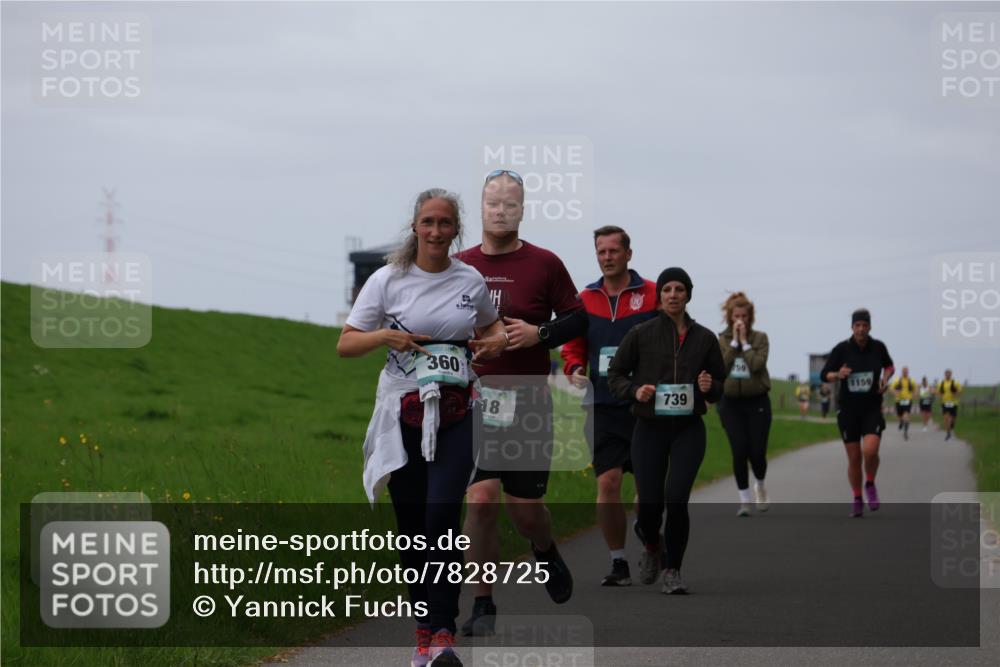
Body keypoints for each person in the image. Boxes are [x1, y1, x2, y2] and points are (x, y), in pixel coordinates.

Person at [337, 189, 508, 667]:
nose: (436, 231)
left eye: (445, 223)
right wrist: (384, 336)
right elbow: (345, 344)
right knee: (413, 531)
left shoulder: (470, 280)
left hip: (457, 411)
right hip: (401, 414)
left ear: (457, 230)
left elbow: (492, 329)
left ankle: (444, 633)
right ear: (415, 227)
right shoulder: (387, 280)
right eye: (428, 222)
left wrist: (492, 345)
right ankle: (422, 631)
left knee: (441, 519)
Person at [456, 169, 587, 635]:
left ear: (522, 210)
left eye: (510, 204)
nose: (501, 210)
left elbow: (578, 319)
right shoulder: (460, 264)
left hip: (529, 401)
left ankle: (544, 548)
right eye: (493, 202)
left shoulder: (545, 263)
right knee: (482, 499)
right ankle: (484, 604)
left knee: (526, 511)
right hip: (473, 400)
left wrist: (540, 333)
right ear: (481, 207)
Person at [608, 267, 725, 594]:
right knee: (649, 503)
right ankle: (651, 544)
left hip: (688, 429)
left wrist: (709, 385)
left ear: (688, 294)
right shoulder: (641, 333)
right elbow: (615, 374)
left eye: (679, 289)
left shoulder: (705, 338)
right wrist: (635, 391)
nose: (673, 295)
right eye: (667, 289)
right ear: (659, 296)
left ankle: (673, 569)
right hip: (649, 428)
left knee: (676, 499)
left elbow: (720, 385)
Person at [561, 225, 658, 585]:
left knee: (649, 492)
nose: (607, 257)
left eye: (614, 251)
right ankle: (618, 562)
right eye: (601, 252)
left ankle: (651, 539)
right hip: (602, 404)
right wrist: (573, 367)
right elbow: (573, 344)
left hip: (645, 405)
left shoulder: (651, 295)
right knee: (608, 483)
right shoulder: (584, 299)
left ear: (628, 254)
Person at [820, 308, 895, 518]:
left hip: (872, 407)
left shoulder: (878, 347)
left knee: (870, 451)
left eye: (864, 325)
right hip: (848, 410)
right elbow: (824, 374)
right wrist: (838, 373)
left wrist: (885, 379)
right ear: (852, 327)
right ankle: (856, 497)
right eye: (857, 325)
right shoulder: (841, 350)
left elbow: (890, 366)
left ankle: (869, 483)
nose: (861, 329)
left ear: (870, 327)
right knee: (854, 459)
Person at [717, 292, 772, 517]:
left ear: (750, 318)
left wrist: (745, 344)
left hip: (757, 401)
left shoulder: (760, 338)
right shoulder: (721, 339)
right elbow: (721, 366)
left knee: (757, 452)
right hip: (730, 403)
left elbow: (757, 365)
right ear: (730, 317)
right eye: (736, 315)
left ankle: (760, 485)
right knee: (739, 450)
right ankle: (744, 500)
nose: (740, 320)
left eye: (744, 316)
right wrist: (733, 343)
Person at [936, 369, 963, 441]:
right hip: (945, 403)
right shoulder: (941, 383)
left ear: (951, 374)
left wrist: (956, 393)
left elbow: (960, 391)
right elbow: (938, 392)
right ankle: (948, 433)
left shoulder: (955, 383)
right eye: (946, 374)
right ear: (944, 374)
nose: (947, 375)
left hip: (953, 403)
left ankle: (952, 425)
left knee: (953, 419)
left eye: (949, 374)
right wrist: (939, 395)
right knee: (946, 418)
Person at [891, 366, 916, 441]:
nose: (905, 372)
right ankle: (901, 421)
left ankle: (905, 431)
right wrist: (894, 392)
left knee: (906, 415)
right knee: (900, 415)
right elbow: (891, 388)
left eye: (906, 371)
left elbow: (915, 388)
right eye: (904, 371)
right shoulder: (897, 380)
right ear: (902, 372)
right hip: (898, 400)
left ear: (908, 372)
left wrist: (915, 394)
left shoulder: (911, 380)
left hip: (908, 400)